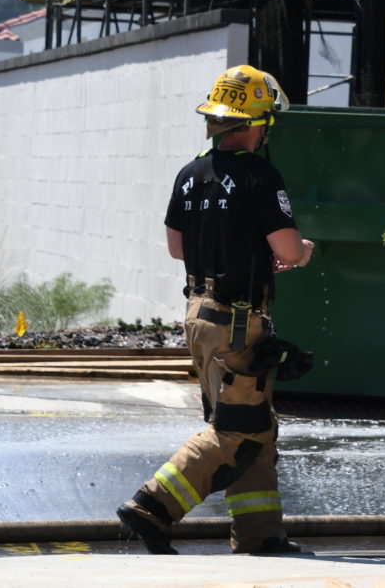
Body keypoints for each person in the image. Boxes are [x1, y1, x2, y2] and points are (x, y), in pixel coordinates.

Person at [117, 64, 314, 555]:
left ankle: (259, 534)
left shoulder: (190, 174)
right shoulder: (260, 175)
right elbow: (289, 250)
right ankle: (152, 505)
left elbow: (177, 248)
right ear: (256, 122)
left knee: (256, 425)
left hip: (199, 315)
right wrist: (301, 251)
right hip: (237, 321)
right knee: (238, 428)